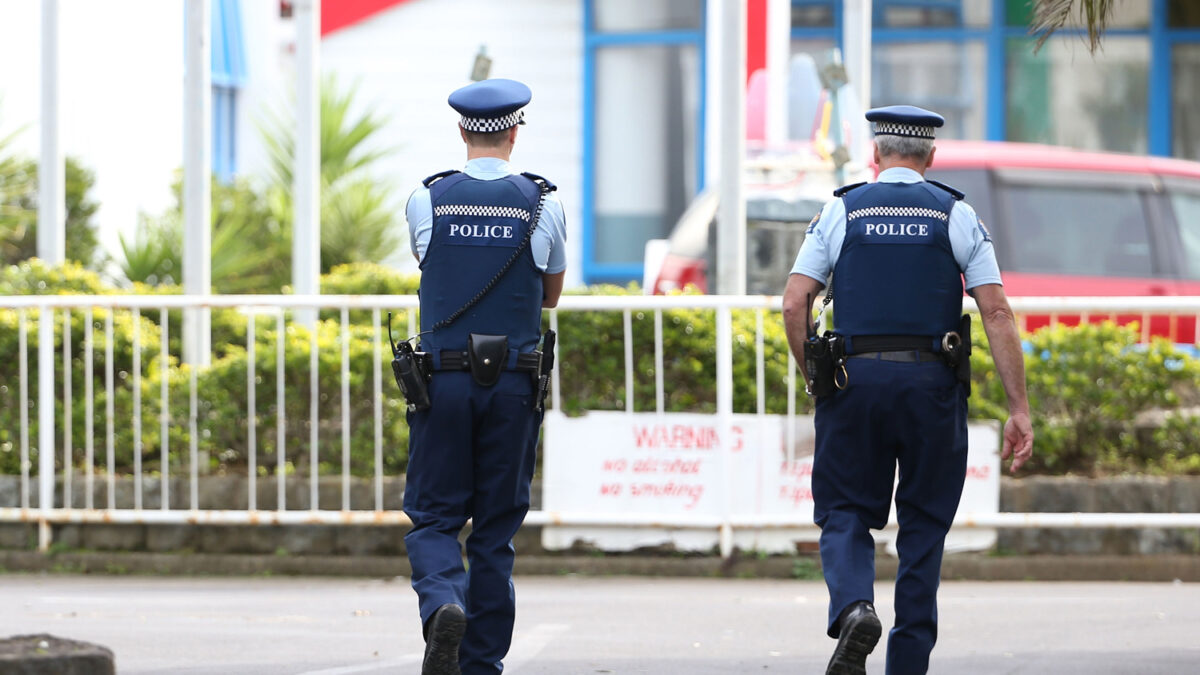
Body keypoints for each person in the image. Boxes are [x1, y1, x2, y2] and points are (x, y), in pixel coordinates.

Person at [781, 105, 1034, 675]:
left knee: (845, 509)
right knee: (923, 528)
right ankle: (907, 665)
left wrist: (812, 374)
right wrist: (1019, 408)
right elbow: (996, 312)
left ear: (875, 154)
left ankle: (853, 609)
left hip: (854, 383)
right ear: (931, 157)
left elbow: (794, 300)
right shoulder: (957, 214)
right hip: (931, 388)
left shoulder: (841, 209)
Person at [402, 77, 567, 675]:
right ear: (514, 131)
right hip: (514, 387)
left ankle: (444, 599)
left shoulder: (428, 200)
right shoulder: (544, 203)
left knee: (434, 517)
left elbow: (433, 268)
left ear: (462, 131)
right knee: (495, 533)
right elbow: (550, 295)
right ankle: (481, 665)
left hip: (442, 381)